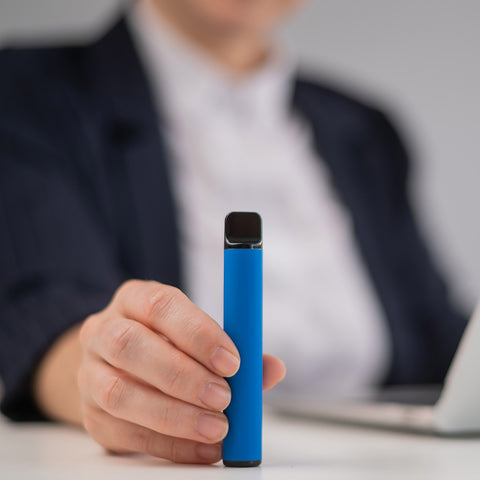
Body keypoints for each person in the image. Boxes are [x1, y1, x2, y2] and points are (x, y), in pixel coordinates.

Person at [0, 0, 468, 465]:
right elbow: (48, 306)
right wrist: (100, 378)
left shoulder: (364, 128)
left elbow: (439, 340)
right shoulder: (28, 92)